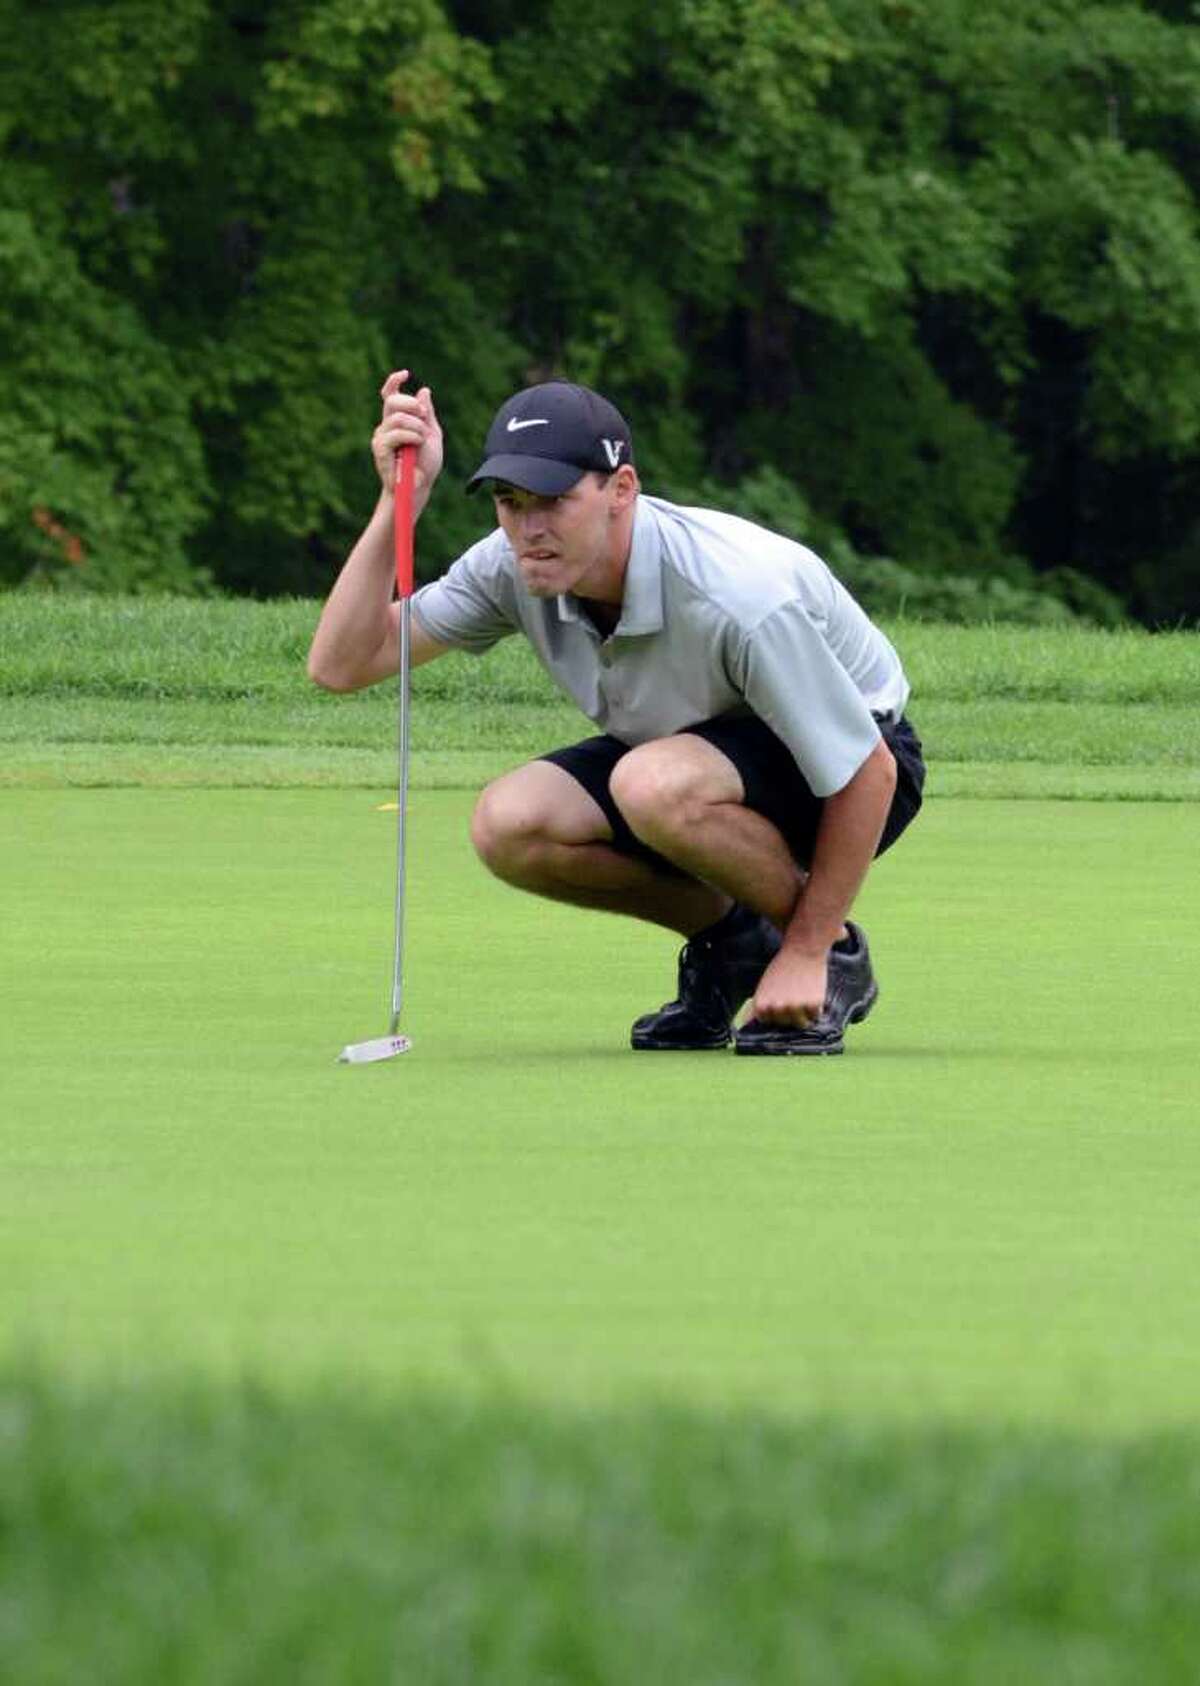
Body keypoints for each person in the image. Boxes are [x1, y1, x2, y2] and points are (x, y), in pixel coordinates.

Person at [308, 370, 925, 1055]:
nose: (529, 528)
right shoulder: (510, 566)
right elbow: (342, 664)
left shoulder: (738, 595)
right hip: (684, 755)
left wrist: (807, 947)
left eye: (554, 501)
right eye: (510, 503)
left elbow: (867, 770)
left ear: (620, 490)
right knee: (510, 824)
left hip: (853, 763)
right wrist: (400, 504)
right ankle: (737, 943)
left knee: (650, 785)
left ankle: (830, 954)